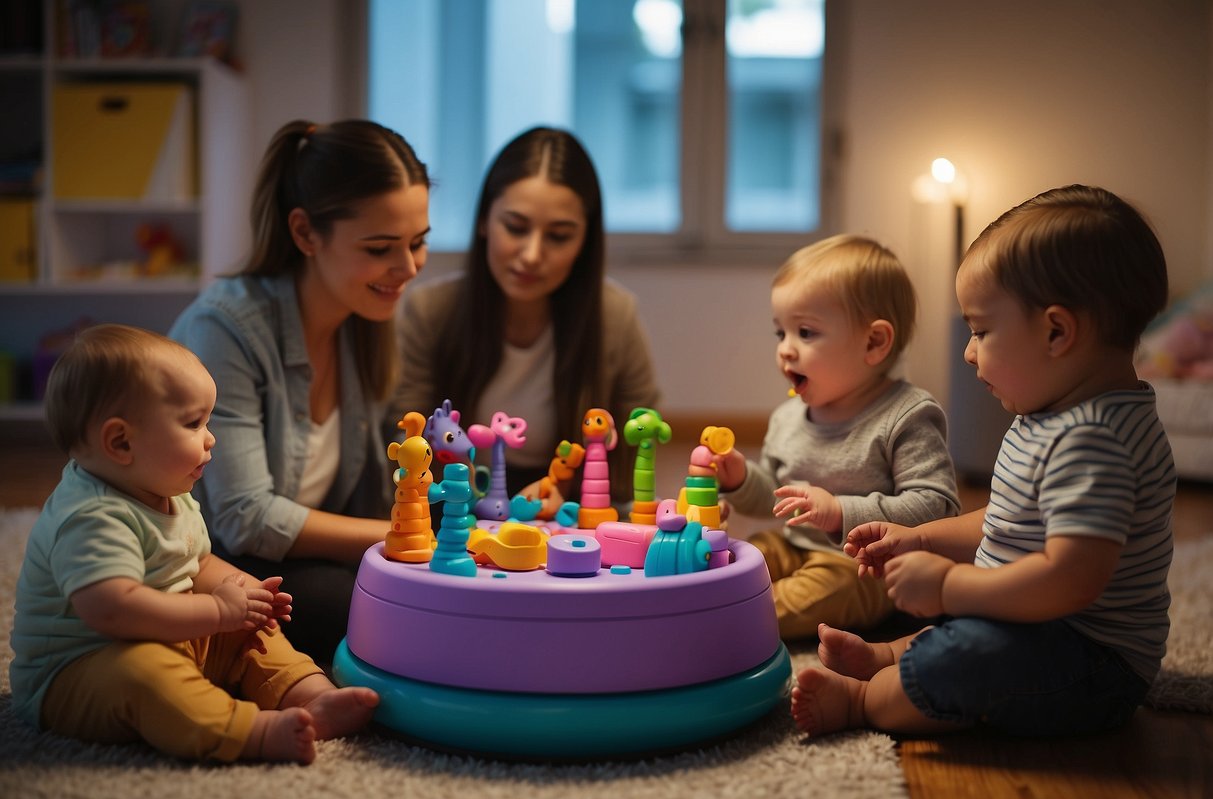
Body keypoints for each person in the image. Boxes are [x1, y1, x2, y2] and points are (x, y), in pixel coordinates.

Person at [793, 185, 1175, 739]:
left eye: (981, 331)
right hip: (1038, 625)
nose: (969, 351)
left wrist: (949, 587)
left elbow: (1069, 580)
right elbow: (1006, 521)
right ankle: (888, 659)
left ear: (1056, 331)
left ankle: (862, 701)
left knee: (968, 648)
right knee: (968, 621)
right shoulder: (1052, 416)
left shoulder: (1094, 441)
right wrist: (920, 539)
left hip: (1092, 667)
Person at [9, 324, 380, 764]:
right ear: (121, 441)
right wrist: (217, 611)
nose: (210, 438)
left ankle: (309, 694)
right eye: (193, 423)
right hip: (82, 670)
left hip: (168, 635)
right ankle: (251, 732)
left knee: (253, 630)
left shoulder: (169, 492)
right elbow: (113, 610)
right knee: (146, 674)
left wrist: (244, 590)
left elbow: (197, 562)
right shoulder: (92, 516)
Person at [170, 120, 430, 664]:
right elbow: (244, 516)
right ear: (306, 233)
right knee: (357, 607)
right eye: (382, 247)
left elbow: (381, 481)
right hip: (202, 556)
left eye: (418, 242)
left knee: (423, 594)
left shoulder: (366, 320)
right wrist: (395, 534)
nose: (407, 268)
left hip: (286, 556)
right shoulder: (226, 328)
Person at [391, 126, 660, 503]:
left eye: (559, 236)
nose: (532, 254)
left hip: (573, 520)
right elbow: (410, 441)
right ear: (484, 220)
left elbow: (634, 447)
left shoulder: (615, 317)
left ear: (585, 242)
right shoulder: (430, 312)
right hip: (452, 515)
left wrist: (566, 493)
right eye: (515, 227)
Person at [713, 235, 960, 640]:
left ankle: (731, 621)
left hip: (865, 568)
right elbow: (775, 499)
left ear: (874, 342)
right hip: (795, 546)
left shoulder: (907, 415)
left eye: (805, 333)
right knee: (747, 553)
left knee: (821, 591)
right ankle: (718, 601)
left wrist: (840, 512)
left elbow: (937, 508)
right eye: (781, 333)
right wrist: (739, 478)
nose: (786, 351)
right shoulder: (788, 418)